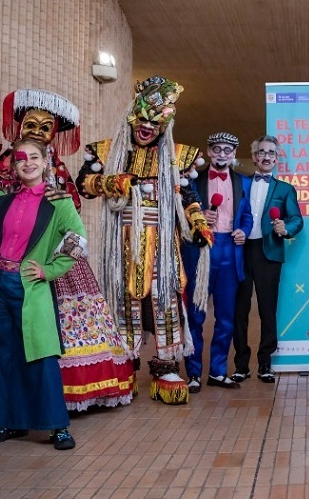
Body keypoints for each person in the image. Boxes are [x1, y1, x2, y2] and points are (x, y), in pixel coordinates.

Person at [0, 89, 134, 412]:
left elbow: (74, 223)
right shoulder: (1, 166)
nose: (38, 133)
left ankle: (58, 400)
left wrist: (52, 264)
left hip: (46, 261)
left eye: (46, 128)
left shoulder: (56, 175)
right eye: (32, 124)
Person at [78, 76, 211, 405]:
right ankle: (124, 365)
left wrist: (198, 225)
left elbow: (189, 198)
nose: (147, 126)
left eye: (156, 121)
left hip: (164, 246)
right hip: (122, 246)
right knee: (124, 304)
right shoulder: (109, 151)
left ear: (165, 125)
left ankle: (166, 367)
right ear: (132, 115)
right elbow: (84, 184)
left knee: (165, 302)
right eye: (143, 119)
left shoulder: (178, 156)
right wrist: (113, 182)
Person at [0, 138, 80, 450]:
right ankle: (6, 421)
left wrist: (50, 270)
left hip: (31, 287)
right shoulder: (0, 201)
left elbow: (78, 240)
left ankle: (56, 426)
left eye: (34, 157)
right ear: (12, 164)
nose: (27, 163)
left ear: (46, 162)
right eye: (21, 158)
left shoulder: (58, 202)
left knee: (41, 353)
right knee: (0, 353)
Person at [183, 132, 253, 391]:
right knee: (196, 316)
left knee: (226, 318)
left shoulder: (243, 182)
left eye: (227, 150)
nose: (222, 154)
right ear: (209, 152)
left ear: (234, 153)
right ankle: (193, 373)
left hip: (230, 251)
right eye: (217, 149)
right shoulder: (192, 181)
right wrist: (198, 219)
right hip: (201, 252)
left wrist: (244, 231)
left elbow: (247, 216)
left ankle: (218, 371)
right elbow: (180, 214)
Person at [231, 136, 304, 383]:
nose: (266, 156)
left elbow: (297, 219)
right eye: (261, 152)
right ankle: (241, 364)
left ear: (276, 157)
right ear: (254, 157)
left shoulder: (285, 189)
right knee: (239, 310)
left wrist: (286, 227)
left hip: (269, 251)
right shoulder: (241, 184)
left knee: (267, 309)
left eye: (271, 153)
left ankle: (265, 363)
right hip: (240, 251)